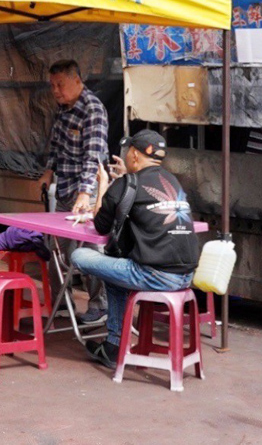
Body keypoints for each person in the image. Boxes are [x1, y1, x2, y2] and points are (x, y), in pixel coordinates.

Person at [72, 130, 200, 369]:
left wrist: (103, 185)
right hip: (186, 276)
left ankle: (114, 344)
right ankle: (113, 346)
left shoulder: (125, 184)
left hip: (155, 275)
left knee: (79, 255)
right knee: (114, 267)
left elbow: (101, 226)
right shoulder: (172, 181)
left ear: (133, 154)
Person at [39, 60, 109, 324]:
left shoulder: (92, 110)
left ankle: (99, 306)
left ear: (77, 80)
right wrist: (48, 171)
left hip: (88, 194)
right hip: (65, 190)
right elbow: (56, 145)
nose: (56, 90)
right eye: (53, 85)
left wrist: (84, 193)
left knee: (90, 252)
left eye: (61, 85)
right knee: (58, 249)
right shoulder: (62, 108)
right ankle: (62, 302)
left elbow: (93, 156)